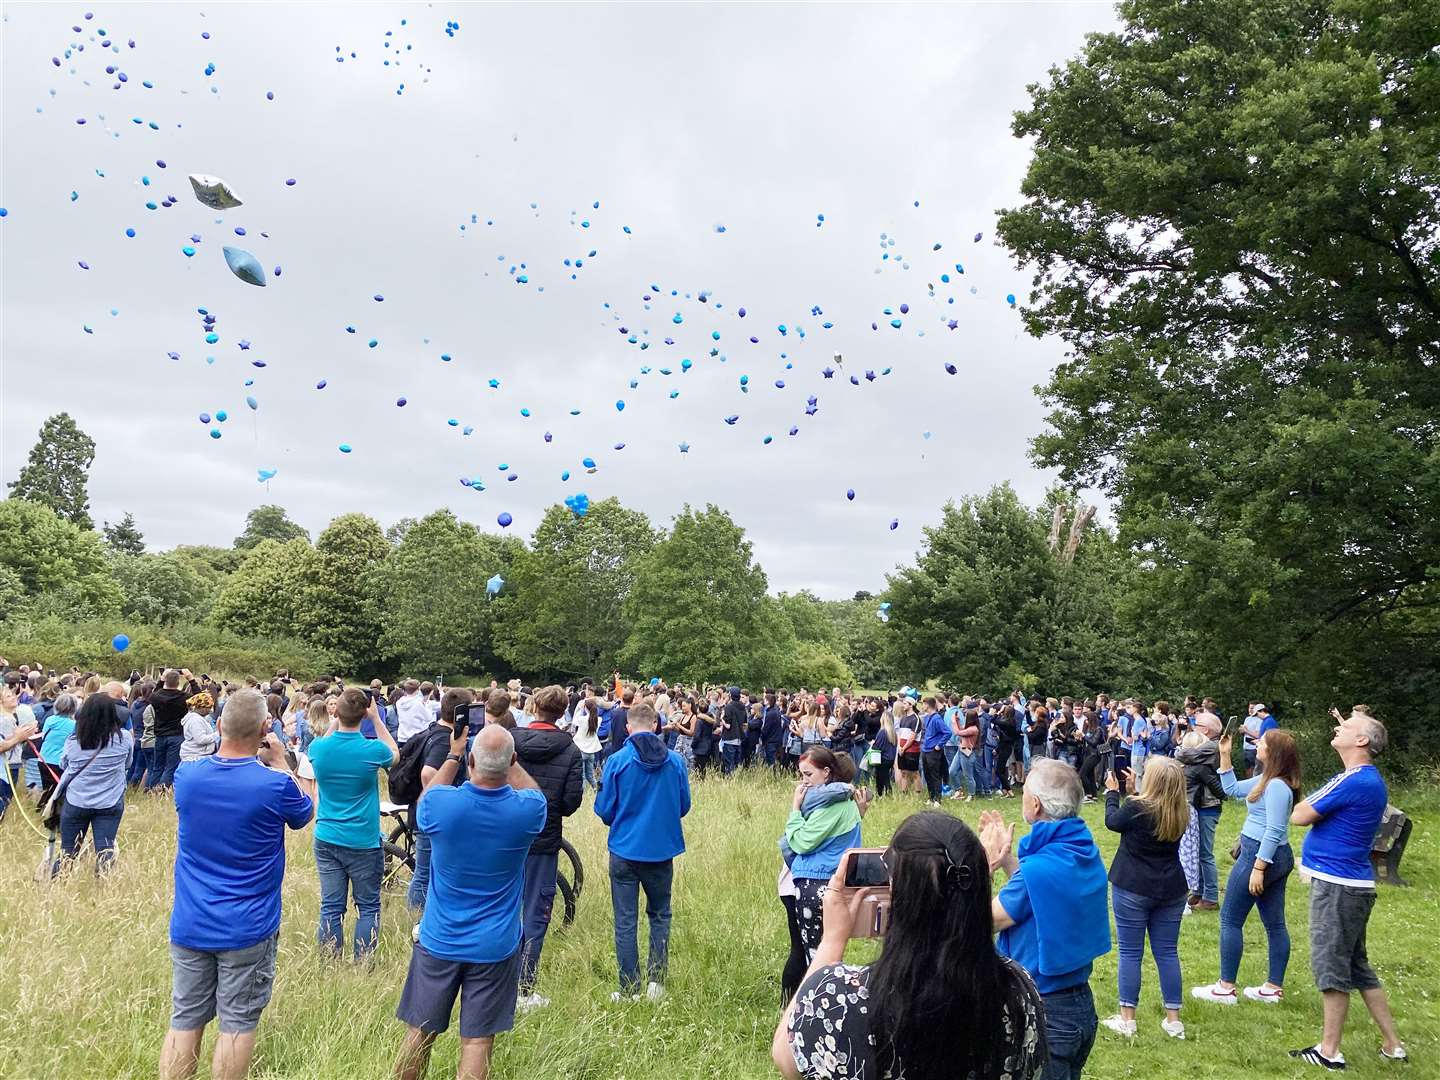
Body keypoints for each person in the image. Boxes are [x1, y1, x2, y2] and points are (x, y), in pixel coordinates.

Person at [772, 812, 1047, 1080]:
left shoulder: (840, 999)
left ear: (900, 898)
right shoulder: (1018, 992)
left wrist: (832, 940)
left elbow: (786, 1058)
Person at [160, 689, 313, 1080]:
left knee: (184, 1019)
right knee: (237, 1023)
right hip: (247, 927)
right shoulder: (273, 784)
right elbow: (304, 811)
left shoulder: (187, 776)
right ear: (265, 727)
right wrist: (280, 760)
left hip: (191, 921)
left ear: (219, 725)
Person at [393, 722, 545, 1080]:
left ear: (472, 762)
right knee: (477, 1042)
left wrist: (454, 753)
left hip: (440, 938)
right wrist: (510, 761)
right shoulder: (526, 812)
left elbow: (427, 795)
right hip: (495, 944)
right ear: (512, 762)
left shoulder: (443, 806)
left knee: (419, 1032)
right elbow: (535, 793)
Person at [1287, 711, 1406, 1069]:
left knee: (1331, 967)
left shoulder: (1354, 779)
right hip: (1352, 885)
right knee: (1358, 967)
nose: (1339, 727)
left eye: (1348, 727)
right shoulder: (1367, 780)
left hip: (1338, 887)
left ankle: (1329, 1052)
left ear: (1362, 742)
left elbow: (1300, 814)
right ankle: (1392, 1044)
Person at [981, 760, 1110, 1080]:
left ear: (1035, 805)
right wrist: (1009, 859)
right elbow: (1039, 897)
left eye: (1024, 792)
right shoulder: (1081, 851)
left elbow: (982, 920)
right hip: (1078, 1004)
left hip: (1045, 1010)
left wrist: (985, 867)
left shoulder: (1037, 870)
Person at [1192, 728, 1302, 1006]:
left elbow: (1275, 829)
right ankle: (1272, 988)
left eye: (1262, 743)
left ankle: (1225, 988)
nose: (1257, 745)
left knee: (1230, 919)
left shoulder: (1277, 786)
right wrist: (1225, 755)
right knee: (1274, 923)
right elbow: (1230, 789)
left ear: (1273, 753)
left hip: (1262, 855)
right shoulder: (1266, 779)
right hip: (1271, 855)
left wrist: (1258, 867)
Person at [594, 702, 691, 1001]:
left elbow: (604, 809)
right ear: (657, 725)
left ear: (628, 727)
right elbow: (683, 806)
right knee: (660, 915)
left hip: (624, 849)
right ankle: (656, 984)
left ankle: (629, 986)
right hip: (661, 850)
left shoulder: (618, 760)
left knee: (625, 920)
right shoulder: (675, 762)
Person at [1101, 755, 1190, 1040]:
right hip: (1171, 888)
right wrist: (1132, 792)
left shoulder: (1136, 807)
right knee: (1167, 951)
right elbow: (1147, 812)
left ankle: (1128, 1020)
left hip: (1133, 886)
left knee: (1130, 952)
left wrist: (1113, 793)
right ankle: (1173, 1020)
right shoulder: (1180, 810)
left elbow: (1113, 822)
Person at [307, 687, 399, 960]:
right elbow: (394, 753)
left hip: (327, 836)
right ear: (364, 713)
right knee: (368, 907)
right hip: (363, 839)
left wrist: (337, 718)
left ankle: (329, 962)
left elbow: (324, 740)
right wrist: (376, 720)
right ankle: (363, 963)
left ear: (336, 712)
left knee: (331, 906)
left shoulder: (318, 748)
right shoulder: (371, 750)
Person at [511, 685, 583, 1008]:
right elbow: (571, 802)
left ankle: (497, 980)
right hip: (545, 836)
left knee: (504, 906)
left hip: (508, 836)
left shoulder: (512, 739)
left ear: (534, 706)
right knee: (536, 911)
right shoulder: (570, 750)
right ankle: (524, 985)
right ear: (562, 711)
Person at [784, 747, 864, 963]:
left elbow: (802, 842)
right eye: (802, 775)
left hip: (816, 882)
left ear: (827, 772)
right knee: (830, 952)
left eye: (808, 774)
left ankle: (814, 994)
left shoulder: (831, 805)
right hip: (836, 881)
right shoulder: (846, 800)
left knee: (816, 958)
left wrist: (794, 810)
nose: (804, 782)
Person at [407, 688, 478, 917]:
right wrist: (439, 800)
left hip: (432, 813)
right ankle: (417, 917)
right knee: (424, 873)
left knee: (429, 870)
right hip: (435, 815)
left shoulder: (437, 731)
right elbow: (428, 773)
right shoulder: (443, 740)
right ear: (463, 714)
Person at [53, 691, 135, 875]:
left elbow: (63, 764)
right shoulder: (124, 739)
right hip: (110, 801)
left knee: (67, 850)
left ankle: (56, 884)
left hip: (77, 800)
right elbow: (128, 764)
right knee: (105, 849)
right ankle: (103, 886)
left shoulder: (75, 741)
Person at [1175, 711, 1224, 911]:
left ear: (1206, 730)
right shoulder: (1207, 748)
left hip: (1208, 806)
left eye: (1196, 724)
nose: (1193, 727)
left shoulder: (1212, 747)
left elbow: (1185, 753)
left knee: (1204, 853)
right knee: (1197, 851)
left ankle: (1210, 896)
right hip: (1200, 805)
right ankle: (1200, 892)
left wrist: (1181, 751)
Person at [180, 692, 219, 762]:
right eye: (209, 707)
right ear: (201, 707)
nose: (211, 710)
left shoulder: (198, 718)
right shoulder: (195, 720)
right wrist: (218, 734)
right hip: (195, 757)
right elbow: (201, 739)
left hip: (198, 755)